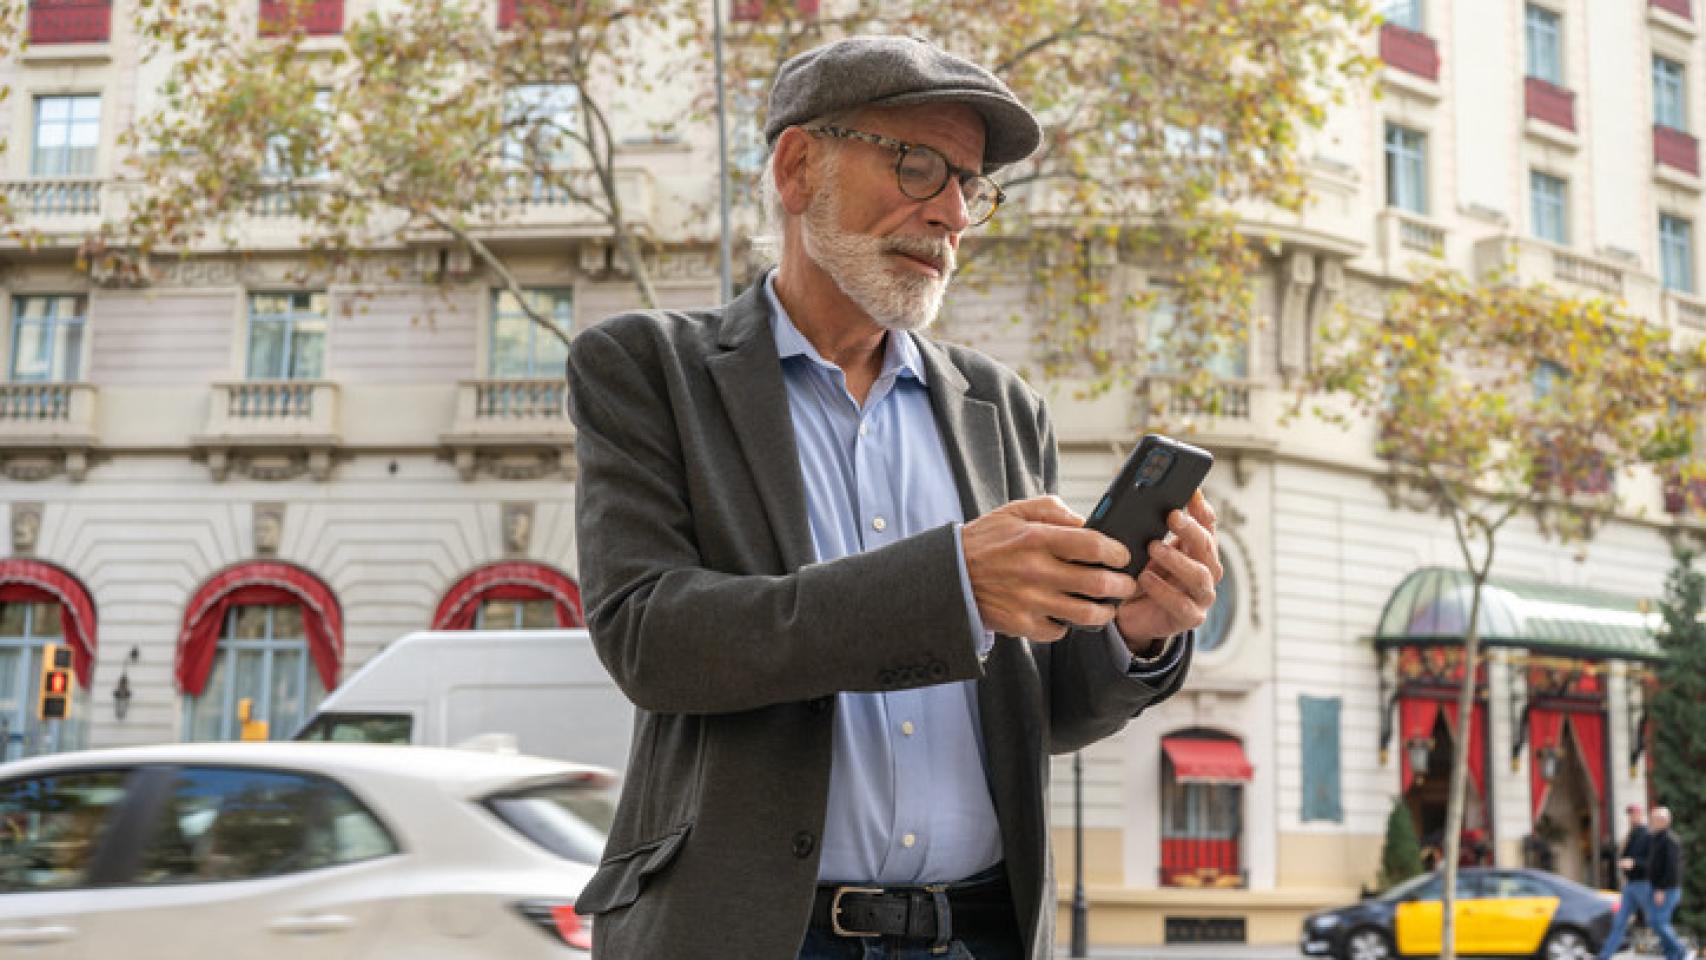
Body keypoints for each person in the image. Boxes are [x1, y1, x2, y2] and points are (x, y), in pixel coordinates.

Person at [565, 35, 1219, 960]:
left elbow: (1046, 712)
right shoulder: (647, 367)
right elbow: (653, 639)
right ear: (799, 167)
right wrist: (951, 584)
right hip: (755, 931)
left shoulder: (1003, 406)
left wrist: (1133, 632)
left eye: (971, 185)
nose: (953, 211)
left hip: (982, 930)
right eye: (919, 166)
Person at [1596, 803, 1652, 960]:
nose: (1631, 817)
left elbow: (1652, 863)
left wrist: (1634, 863)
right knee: (1619, 922)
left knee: (1656, 921)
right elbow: (1621, 856)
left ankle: (1677, 951)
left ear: (1641, 815)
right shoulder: (1630, 835)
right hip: (1630, 886)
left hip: (1643, 884)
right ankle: (1604, 956)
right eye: (1630, 814)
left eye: (1634, 814)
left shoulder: (1647, 835)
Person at [1648, 806, 1688, 960]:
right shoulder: (1656, 838)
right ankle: (1672, 955)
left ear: (1664, 821)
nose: (1652, 822)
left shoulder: (1670, 840)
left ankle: (1680, 949)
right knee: (1656, 922)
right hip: (1657, 888)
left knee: (1659, 922)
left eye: (1654, 819)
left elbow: (1672, 868)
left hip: (1666, 889)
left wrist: (1661, 889)